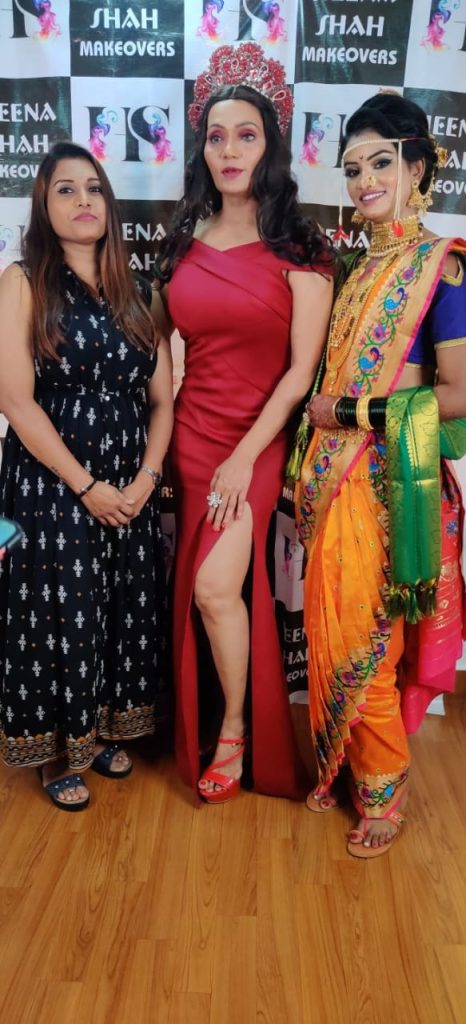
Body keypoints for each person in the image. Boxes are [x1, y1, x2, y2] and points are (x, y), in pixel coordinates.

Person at [154, 42, 334, 803]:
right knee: (200, 592)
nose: (230, 150)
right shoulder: (184, 241)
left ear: (271, 147)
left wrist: (243, 457)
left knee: (213, 587)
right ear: (203, 149)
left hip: (255, 445)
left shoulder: (303, 247)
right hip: (190, 438)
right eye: (217, 136)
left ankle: (234, 729)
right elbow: (158, 341)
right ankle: (208, 716)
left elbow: (298, 375)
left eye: (247, 135)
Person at [294, 92, 466, 857]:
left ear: (418, 167)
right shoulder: (355, 268)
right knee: (344, 634)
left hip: (397, 482)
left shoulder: (443, 268)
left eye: (381, 163)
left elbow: (460, 392)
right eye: (353, 168)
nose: (364, 181)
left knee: (372, 641)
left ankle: (383, 793)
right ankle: (355, 768)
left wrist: (349, 414)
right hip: (335, 484)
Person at [0, 141, 173, 810]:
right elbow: (15, 401)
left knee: (115, 606)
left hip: (128, 484)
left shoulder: (141, 290)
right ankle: (56, 750)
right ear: (43, 206)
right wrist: (85, 486)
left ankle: (99, 731)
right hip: (52, 484)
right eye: (65, 190)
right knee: (57, 612)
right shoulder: (23, 282)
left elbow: (163, 400)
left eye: (93, 188)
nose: (82, 201)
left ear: (110, 203)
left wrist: (146, 479)